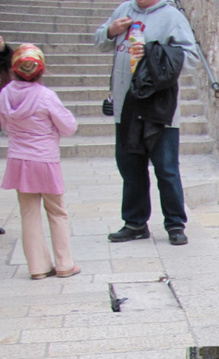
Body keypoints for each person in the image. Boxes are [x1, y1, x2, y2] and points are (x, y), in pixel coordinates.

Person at [95, 0, 197, 246]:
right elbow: (98, 41)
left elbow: (191, 58)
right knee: (130, 167)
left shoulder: (172, 16)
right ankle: (135, 223)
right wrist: (111, 31)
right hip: (126, 106)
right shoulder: (123, 10)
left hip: (159, 108)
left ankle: (175, 224)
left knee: (167, 168)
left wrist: (152, 52)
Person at [0, 44, 79, 280]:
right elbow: (69, 127)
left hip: (18, 159)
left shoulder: (4, 94)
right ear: (41, 70)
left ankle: (37, 267)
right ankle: (64, 264)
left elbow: (4, 124)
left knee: (28, 213)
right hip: (44, 160)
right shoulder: (46, 96)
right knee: (56, 212)